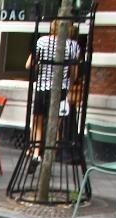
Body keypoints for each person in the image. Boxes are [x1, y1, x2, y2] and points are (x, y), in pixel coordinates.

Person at [25, 21, 80, 154]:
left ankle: (36, 153)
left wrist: (40, 67)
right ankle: (51, 154)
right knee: (55, 124)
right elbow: (74, 74)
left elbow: (28, 65)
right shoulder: (73, 45)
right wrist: (69, 86)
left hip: (42, 87)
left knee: (38, 122)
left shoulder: (42, 41)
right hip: (61, 89)